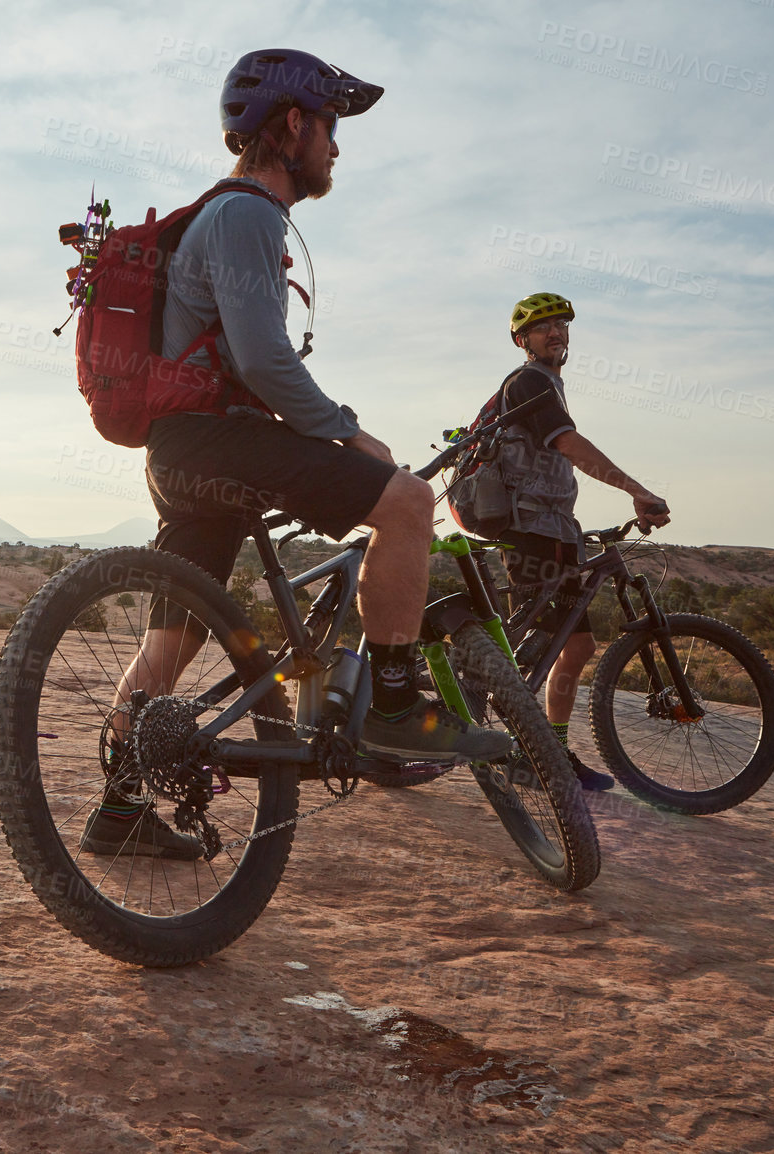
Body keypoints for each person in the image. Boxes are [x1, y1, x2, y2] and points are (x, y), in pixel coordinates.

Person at [82, 49, 510, 860]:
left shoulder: (226, 215)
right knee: (409, 503)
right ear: (291, 126)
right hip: (222, 440)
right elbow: (263, 361)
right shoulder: (247, 214)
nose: (336, 149)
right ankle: (389, 705)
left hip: (179, 453)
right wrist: (350, 432)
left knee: (171, 645)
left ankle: (119, 808)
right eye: (330, 129)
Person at [493, 292, 672, 792]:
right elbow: (569, 446)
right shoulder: (528, 381)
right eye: (543, 326)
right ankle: (531, 756)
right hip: (531, 532)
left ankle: (548, 749)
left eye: (561, 325)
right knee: (543, 648)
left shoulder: (549, 384)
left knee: (575, 644)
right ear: (521, 340)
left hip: (554, 530)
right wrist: (637, 490)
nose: (556, 333)